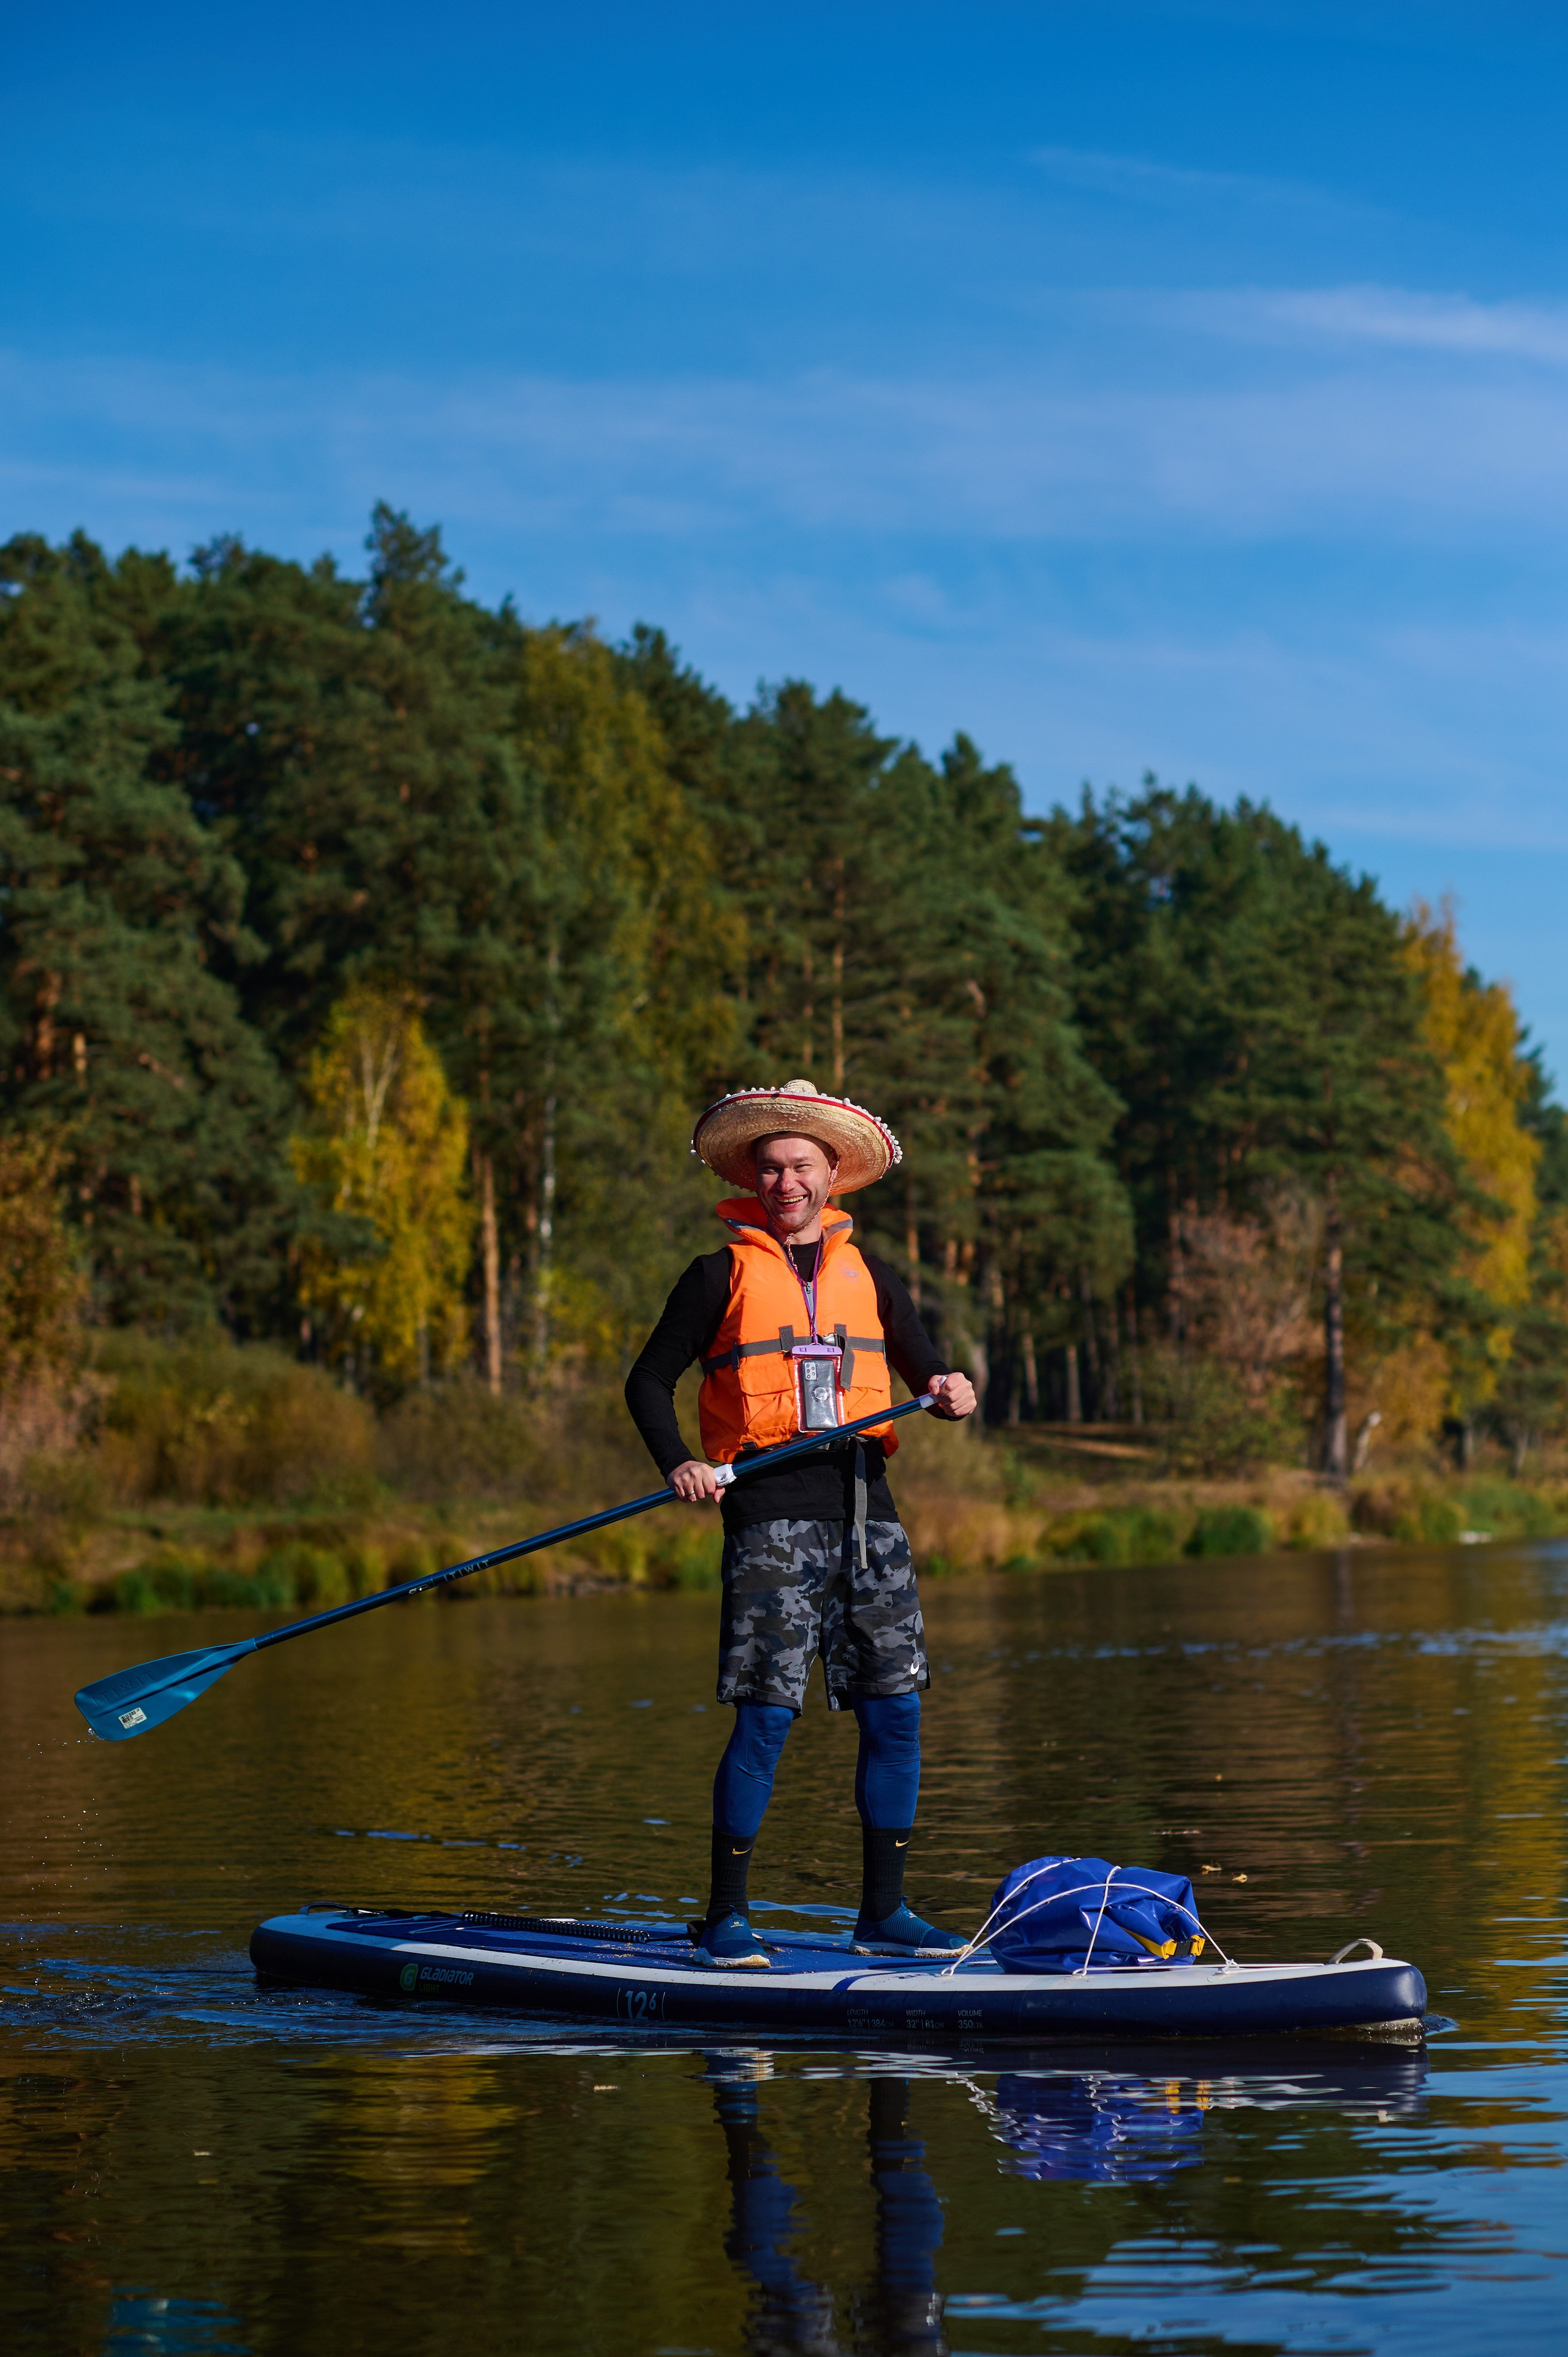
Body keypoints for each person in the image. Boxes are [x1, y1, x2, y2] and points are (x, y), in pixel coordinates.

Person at [625, 1077, 977, 1967]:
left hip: (869, 1514)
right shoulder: (717, 1275)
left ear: (832, 1177)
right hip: (769, 1514)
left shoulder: (872, 1274)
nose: (787, 1182)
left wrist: (948, 1388)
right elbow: (646, 1381)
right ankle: (726, 1920)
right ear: (755, 1178)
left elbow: (929, 1367)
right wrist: (682, 1462)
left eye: (803, 1167)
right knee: (767, 1717)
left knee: (896, 1714)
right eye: (772, 1168)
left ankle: (885, 1916)